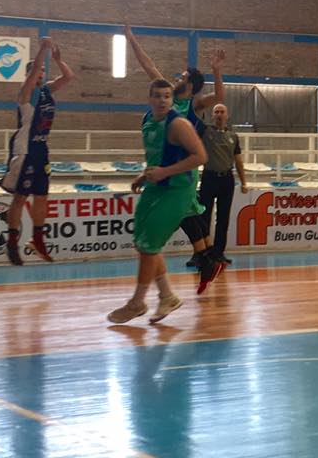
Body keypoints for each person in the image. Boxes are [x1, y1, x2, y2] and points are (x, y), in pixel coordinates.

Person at [124, 24, 225, 285]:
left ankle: (206, 259)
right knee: (189, 214)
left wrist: (216, 70)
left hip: (182, 169)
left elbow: (220, 97)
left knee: (183, 214)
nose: (177, 78)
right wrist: (132, 40)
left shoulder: (193, 105)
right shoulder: (166, 95)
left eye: (182, 76)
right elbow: (148, 65)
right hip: (165, 166)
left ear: (189, 84)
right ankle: (207, 258)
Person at [107, 79, 208, 324]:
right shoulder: (147, 120)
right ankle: (167, 296)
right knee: (143, 244)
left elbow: (200, 156)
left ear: (172, 100)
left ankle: (137, 303)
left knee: (149, 245)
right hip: (155, 185)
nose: (162, 100)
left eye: (166, 96)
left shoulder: (179, 124)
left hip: (177, 191)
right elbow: (158, 156)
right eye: (157, 95)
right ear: (149, 98)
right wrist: (145, 175)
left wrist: (165, 172)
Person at [0, 37, 75, 266]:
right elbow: (32, 76)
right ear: (29, 74)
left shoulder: (46, 91)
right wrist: (43, 49)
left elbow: (68, 77)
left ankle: (38, 239)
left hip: (41, 148)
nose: (41, 73)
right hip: (25, 149)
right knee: (20, 197)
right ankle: (12, 243)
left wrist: (58, 60)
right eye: (37, 71)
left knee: (42, 196)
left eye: (43, 71)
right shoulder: (26, 92)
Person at [198, 103, 249, 264]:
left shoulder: (233, 136)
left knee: (223, 218)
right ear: (212, 115)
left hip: (227, 180)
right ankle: (202, 253)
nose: (219, 114)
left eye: (222, 112)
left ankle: (219, 253)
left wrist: (243, 182)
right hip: (209, 178)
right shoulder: (205, 131)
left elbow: (238, 161)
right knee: (204, 216)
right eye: (216, 112)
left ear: (227, 115)